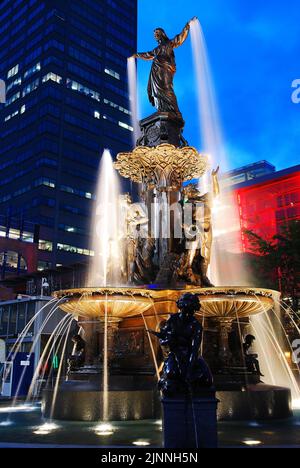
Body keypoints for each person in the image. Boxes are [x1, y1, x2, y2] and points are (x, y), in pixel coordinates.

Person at [132, 18, 197, 120]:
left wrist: (187, 26)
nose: (155, 35)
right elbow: (147, 54)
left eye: (157, 32)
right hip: (156, 71)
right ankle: (162, 108)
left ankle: (176, 112)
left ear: (162, 33)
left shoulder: (169, 44)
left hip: (166, 69)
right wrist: (136, 55)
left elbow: (179, 39)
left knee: (166, 89)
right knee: (157, 91)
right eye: (154, 33)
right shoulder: (157, 49)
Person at [149, 292, 213, 396]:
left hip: (190, 355)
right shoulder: (173, 319)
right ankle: (164, 378)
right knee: (172, 373)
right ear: (181, 307)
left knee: (207, 380)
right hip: (175, 353)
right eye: (185, 310)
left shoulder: (196, 326)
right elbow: (164, 338)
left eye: (190, 311)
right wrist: (166, 340)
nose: (187, 314)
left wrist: (189, 368)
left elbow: (194, 349)